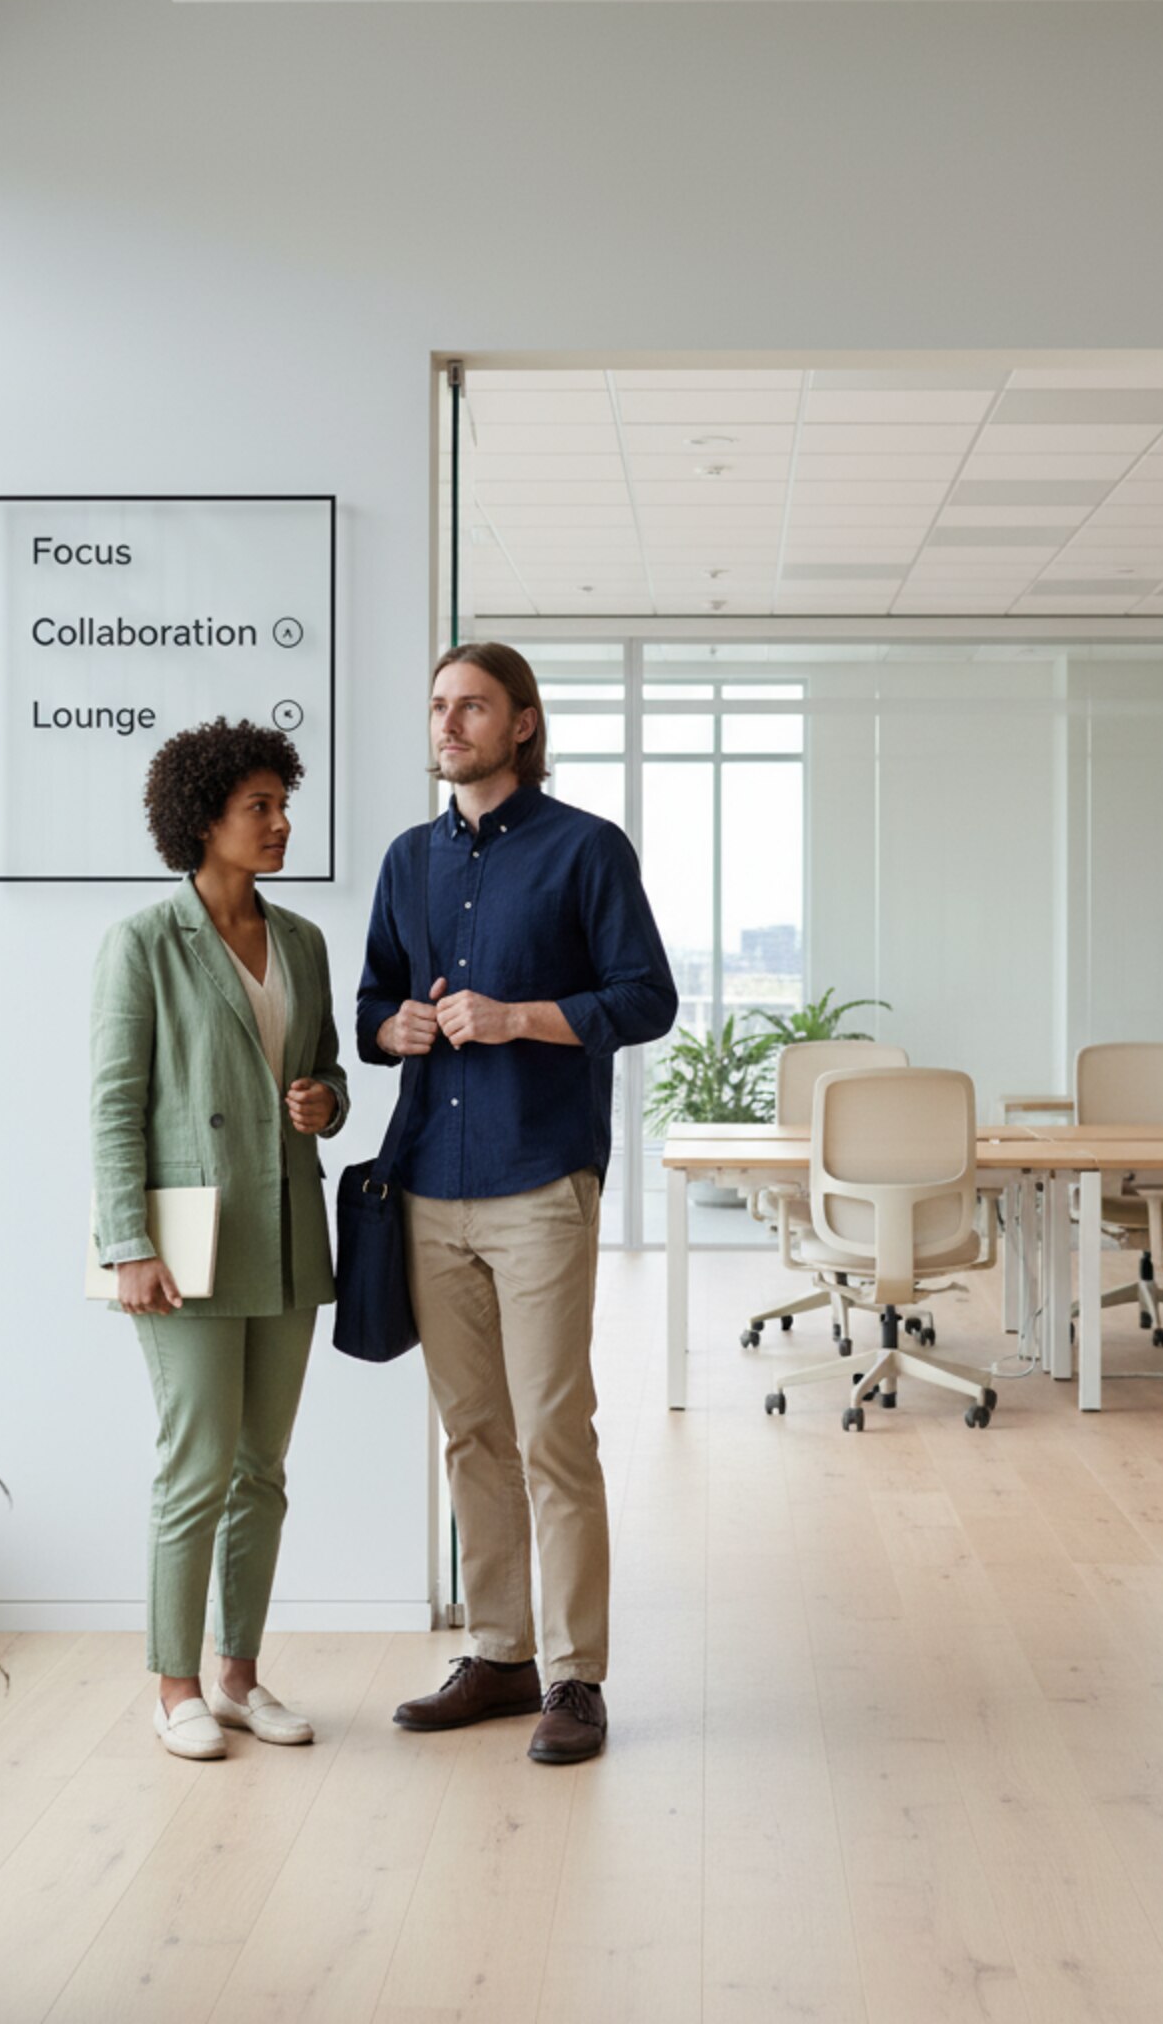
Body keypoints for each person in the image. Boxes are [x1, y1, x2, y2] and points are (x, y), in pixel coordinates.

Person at [357, 642, 677, 1765]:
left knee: (551, 1431)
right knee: (470, 1434)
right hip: (428, 1190)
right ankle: (497, 1654)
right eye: (438, 704)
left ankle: (574, 1674)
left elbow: (646, 998)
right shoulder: (406, 859)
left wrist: (516, 1016)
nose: (449, 722)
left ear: (522, 723)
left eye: (473, 706)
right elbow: (371, 1006)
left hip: (538, 1177)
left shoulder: (585, 848)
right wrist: (393, 1026)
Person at [90, 717, 349, 1762]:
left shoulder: (303, 942)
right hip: (186, 1242)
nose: (281, 822)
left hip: (285, 1228)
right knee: (192, 1467)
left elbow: (329, 1069)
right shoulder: (143, 941)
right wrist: (125, 1241)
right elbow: (114, 1101)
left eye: (282, 805)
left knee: (262, 1471)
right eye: (261, 807)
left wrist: (324, 1101)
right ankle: (174, 1684)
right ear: (205, 819)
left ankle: (239, 1677)